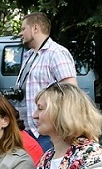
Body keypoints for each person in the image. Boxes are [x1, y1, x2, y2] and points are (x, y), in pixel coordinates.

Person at [17, 12, 77, 151]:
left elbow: (71, 93)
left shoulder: (56, 53)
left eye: (23, 28)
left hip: (50, 132)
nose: (21, 33)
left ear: (35, 28)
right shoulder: (29, 56)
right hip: (30, 130)